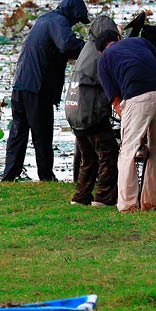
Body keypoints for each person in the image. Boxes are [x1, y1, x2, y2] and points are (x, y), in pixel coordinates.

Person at [1, 0, 87, 182]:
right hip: (37, 87)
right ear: (72, 13)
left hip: (20, 84)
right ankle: (46, 177)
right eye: (77, 19)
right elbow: (66, 45)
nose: (75, 23)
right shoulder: (59, 20)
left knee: (18, 132)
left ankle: (8, 177)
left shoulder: (44, 19)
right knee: (42, 134)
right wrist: (89, 47)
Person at [97, 29, 156, 212]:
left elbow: (116, 100)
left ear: (100, 50)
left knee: (128, 152)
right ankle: (153, 203)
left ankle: (128, 205)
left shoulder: (104, 60)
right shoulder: (139, 41)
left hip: (137, 97)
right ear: (118, 38)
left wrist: (129, 123)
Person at [64, 17, 120, 206]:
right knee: (108, 153)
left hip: (74, 112)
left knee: (88, 158)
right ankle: (104, 197)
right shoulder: (103, 53)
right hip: (91, 113)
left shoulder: (85, 51)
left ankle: (81, 196)